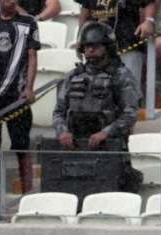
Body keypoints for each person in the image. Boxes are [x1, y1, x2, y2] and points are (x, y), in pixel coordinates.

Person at [53, 21, 141, 192]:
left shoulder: (121, 75)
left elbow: (130, 113)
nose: (90, 50)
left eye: (95, 46)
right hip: (75, 148)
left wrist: (105, 133)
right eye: (86, 47)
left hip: (110, 149)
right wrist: (62, 131)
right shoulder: (72, 77)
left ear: (107, 47)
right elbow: (59, 111)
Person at [0, 0, 39, 213]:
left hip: (17, 95)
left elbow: (32, 57)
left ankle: (28, 200)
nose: (11, 1)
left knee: (22, 148)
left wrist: (29, 88)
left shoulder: (28, 23)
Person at [77, 0, 155, 88]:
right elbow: (84, 11)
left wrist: (149, 21)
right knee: (96, 88)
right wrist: (80, 39)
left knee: (129, 88)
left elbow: (149, 2)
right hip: (97, 46)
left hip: (128, 43)